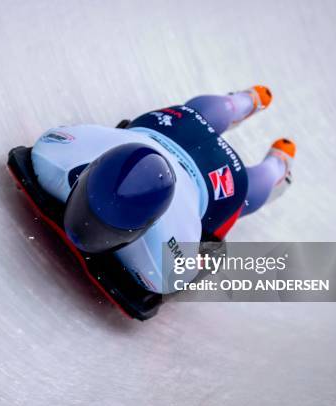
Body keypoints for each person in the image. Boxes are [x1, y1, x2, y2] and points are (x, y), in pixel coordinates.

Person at [30, 86, 296, 294]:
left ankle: (273, 162)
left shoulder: (52, 155)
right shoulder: (54, 154)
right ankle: (252, 113)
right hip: (175, 133)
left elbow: (190, 268)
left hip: (206, 175)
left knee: (243, 192)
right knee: (197, 118)